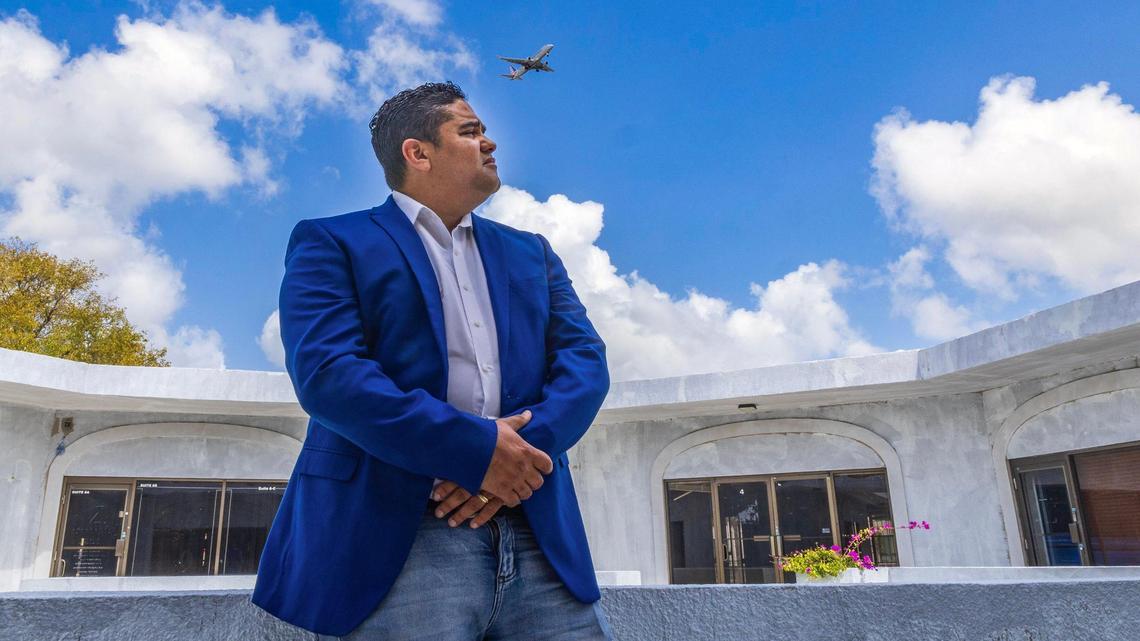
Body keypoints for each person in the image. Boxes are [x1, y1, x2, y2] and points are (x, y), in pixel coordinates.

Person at [252, 81, 612, 641]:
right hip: (401, 535)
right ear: (417, 153)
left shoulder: (532, 251)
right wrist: (475, 452)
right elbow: (330, 376)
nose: (489, 143)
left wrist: (512, 463)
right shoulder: (331, 242)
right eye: (469, 132)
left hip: (537, 529)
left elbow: (585, 362)